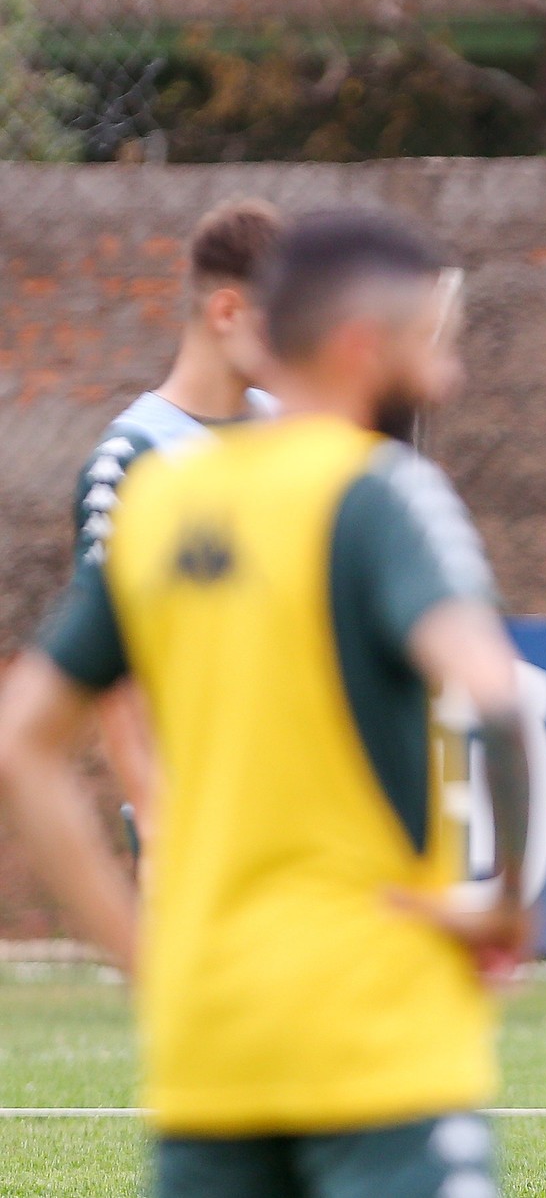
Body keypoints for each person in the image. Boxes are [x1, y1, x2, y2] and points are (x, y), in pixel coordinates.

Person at [0, 208, 534, 1198]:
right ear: (361, 348)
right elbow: (497, 700)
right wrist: (502, 904)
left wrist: (140, 958)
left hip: (210, 1042)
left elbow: (21, 745)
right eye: (434, 349)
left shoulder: (161, 503)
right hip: (374, 1024)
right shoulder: (380, 495)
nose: (447, 379)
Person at [72, 198, 283, 849]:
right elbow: (110, 661)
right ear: (227, 312)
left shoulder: (294, 429)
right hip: (197, 821)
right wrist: (154, 808)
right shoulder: (132, 456)